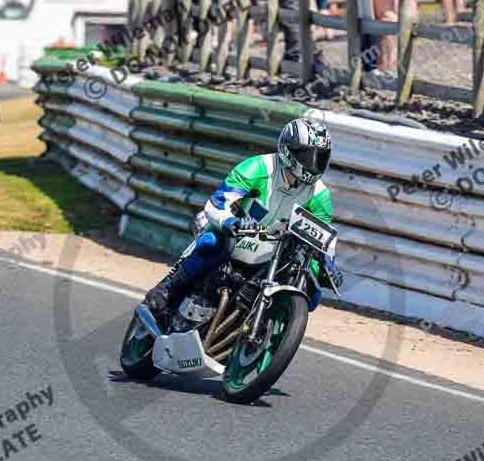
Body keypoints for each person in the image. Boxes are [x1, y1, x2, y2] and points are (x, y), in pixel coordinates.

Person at [144, 118, 342, 314]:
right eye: (308, 155)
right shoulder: (258, 168)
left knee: (312, 293)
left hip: (275, 250)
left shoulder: (320, 195)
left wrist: (327, 266)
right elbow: (216, 204)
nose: (314, 163)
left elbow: (323, 241)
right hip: (237, 232)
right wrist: (230, 221)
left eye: (320, 157)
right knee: (212, 243)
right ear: (289, 150)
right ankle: (170, 286)